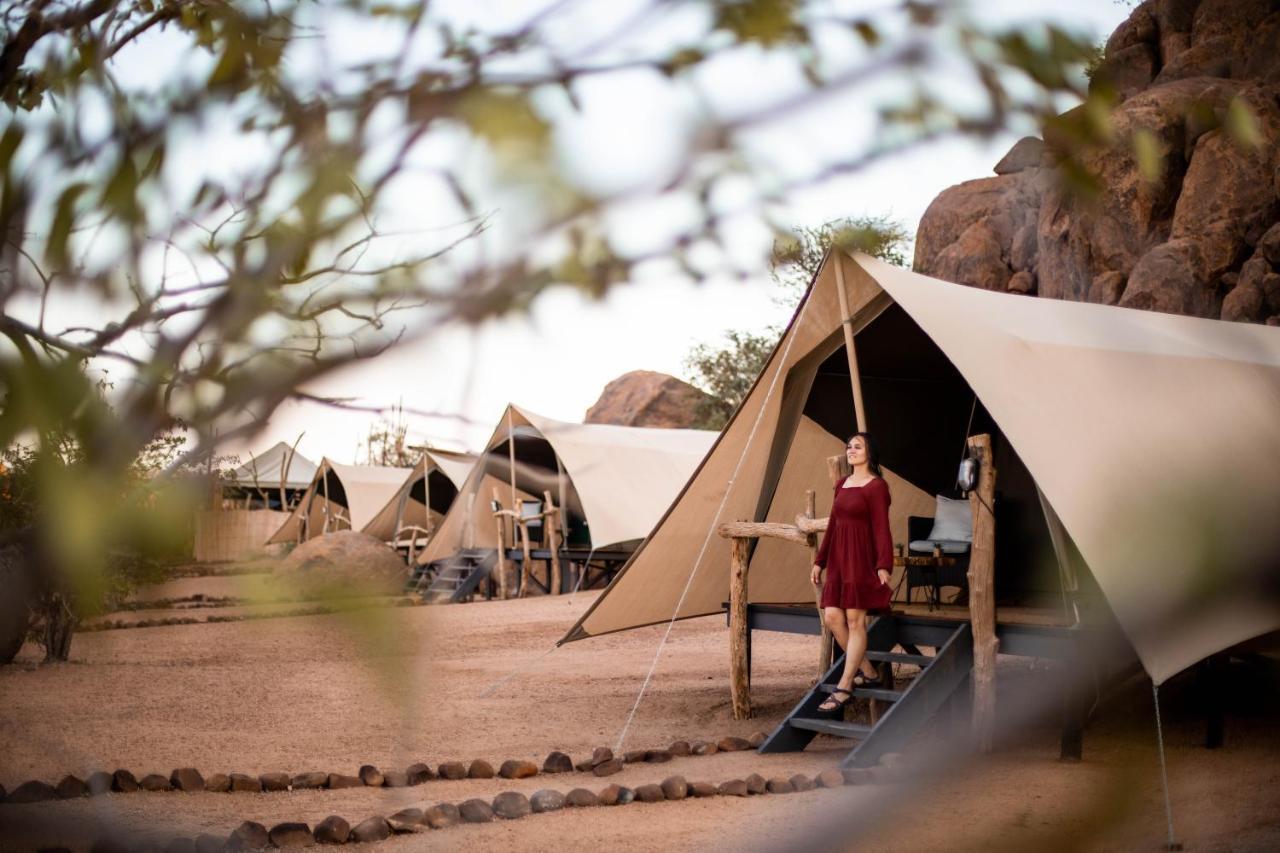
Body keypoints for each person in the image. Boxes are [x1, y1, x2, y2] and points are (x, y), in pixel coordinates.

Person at [810, 432, 894, 712]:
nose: (851, 450)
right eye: (848, 447)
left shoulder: (877, 486)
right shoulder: (842, 484)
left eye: (858, 446)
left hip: (861, 558)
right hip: (838, 559)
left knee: (856, 621)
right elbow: (833, 524)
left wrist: (884, 564)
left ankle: (845, 686)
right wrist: (820, 561)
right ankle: (869, 672)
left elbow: (882, 527)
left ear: (870, 452)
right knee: (833, 618)